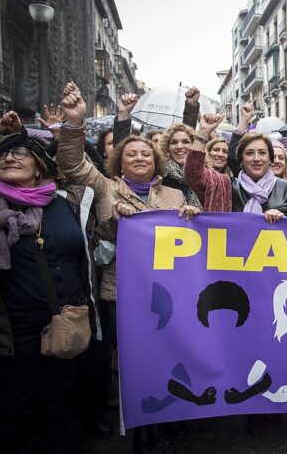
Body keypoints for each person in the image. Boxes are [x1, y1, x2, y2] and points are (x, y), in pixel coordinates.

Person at [55, 82, 198, 453]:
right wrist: (73, 123)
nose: (139, 158)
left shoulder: (175, 195)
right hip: (122, 291)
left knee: (168, 354)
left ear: (156, 162)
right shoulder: (106, 189)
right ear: (119, 162)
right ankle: (140, 424)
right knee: (133, 360)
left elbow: (195, 238)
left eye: (146, 154)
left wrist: (192, 218)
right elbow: (71, 164)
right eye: (131, 154)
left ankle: (170, 414)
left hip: (168, 293)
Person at [0, 128, 100, 453]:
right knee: (12, 407)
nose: (9, 158)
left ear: (39, 165)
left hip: (66, 320)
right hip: (11, 329)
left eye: (20, 152)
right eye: (1, 155)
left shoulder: (67, 202)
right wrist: (2, 136)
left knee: (58, 401)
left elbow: (94, 242)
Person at [228, 102, 287, 218]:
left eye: (262, 153)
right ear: (241, 160)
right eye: (249, 153)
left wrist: (284, 214)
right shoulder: (230, 187)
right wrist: (244, 120)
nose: (256, 158)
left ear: (270, 159)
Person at [183, 113, 233, 213]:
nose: (220, 154)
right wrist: (203, 132)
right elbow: (193, 172)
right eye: (216, 150)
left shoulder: (233, 181)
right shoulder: (205, 177)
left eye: (225, 151)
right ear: (208, 153)